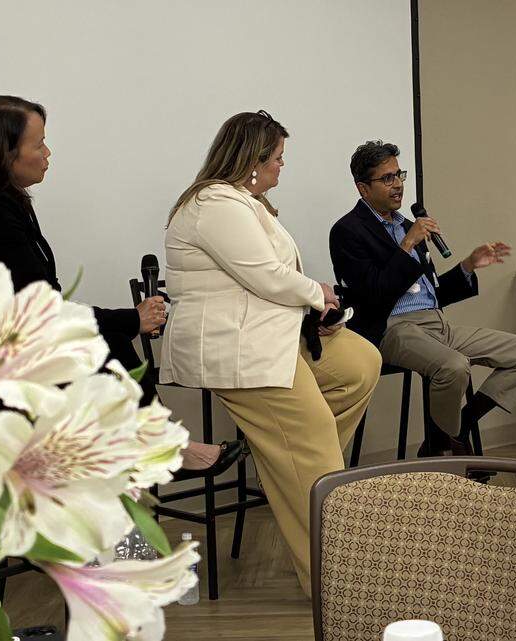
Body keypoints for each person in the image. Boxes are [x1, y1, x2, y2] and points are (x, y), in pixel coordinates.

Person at [0, 95, 233, 472]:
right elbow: (44, 310)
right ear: (2, 154)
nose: (48, 152)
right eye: (38, 144)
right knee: (105, 348)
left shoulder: (1, 204)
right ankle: (153, 447)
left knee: (106, 347)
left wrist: (123, 322)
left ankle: (152, 445)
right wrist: (131, 319)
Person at [159, 110, 381, 594]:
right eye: (278, 158)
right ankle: (332, 582)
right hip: (236, 347)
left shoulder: (248, 202)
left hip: (265, 333)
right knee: (313, 434)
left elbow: (269, 283)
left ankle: (290, 461)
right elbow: (265, 276)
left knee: (361, 363)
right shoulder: (214, 203)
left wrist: (315, 305)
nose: (283, 167)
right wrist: (317, 293)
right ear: (253, 160)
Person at [329, 140, 516, 456]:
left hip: (436, 324)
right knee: (454, 366)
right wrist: (407, 245)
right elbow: (373, 294)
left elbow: (430, 293)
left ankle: (451, 432)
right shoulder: (348, 231)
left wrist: (468, 266)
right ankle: (452, 447)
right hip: (392, 329)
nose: (398, 185)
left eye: (399, 175)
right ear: (363, 188)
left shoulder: (406, 225)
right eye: (387, 178)